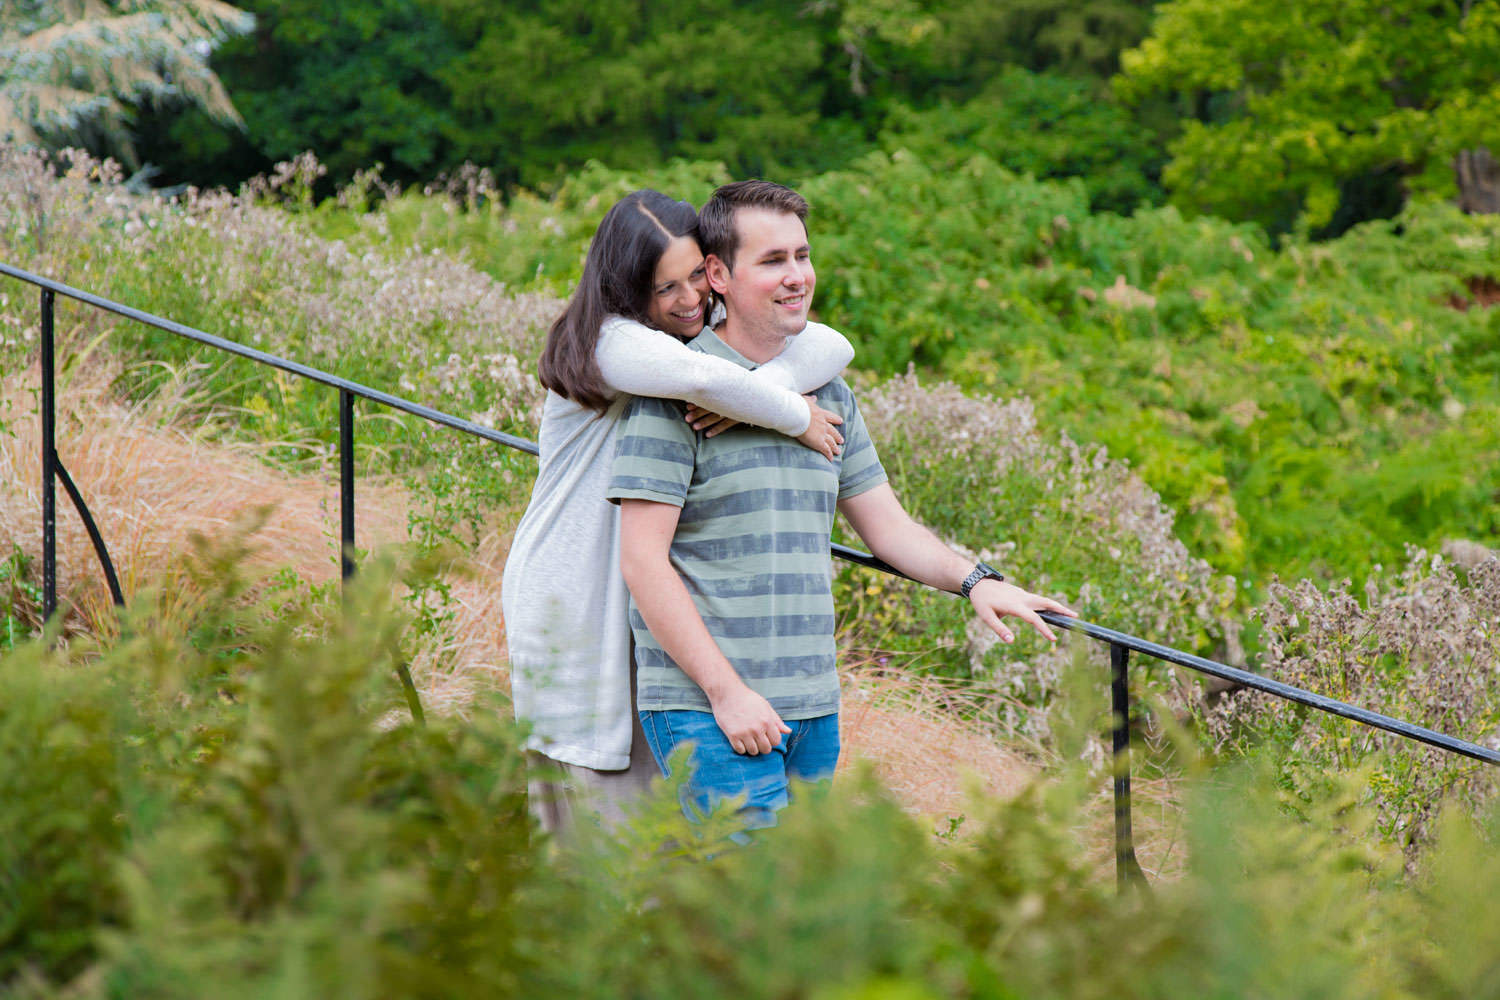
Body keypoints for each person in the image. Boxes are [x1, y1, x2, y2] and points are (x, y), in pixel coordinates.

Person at [608, 180, 1077, 830]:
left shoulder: (826, 391)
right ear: (716, 273)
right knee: (756, 907)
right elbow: (642, 562)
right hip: (710, 709)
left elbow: (887, 525)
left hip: (812, 709)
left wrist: (978, 581)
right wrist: (725, 693)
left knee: (796, 914)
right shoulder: (673, 394)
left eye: (802, 256)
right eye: (773, 261)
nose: (797, 276)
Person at [500, 189, 855, 835]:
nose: (691, 298)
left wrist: (758, 394)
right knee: (599, 812)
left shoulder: (692, 347)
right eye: (666, 287)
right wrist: (796, 414)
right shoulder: (613, 345)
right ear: (627, 290)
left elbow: (829, 346)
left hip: (641, 587)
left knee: (663, 825)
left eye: (697, 275)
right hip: (577, 590)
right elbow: (703, 384)